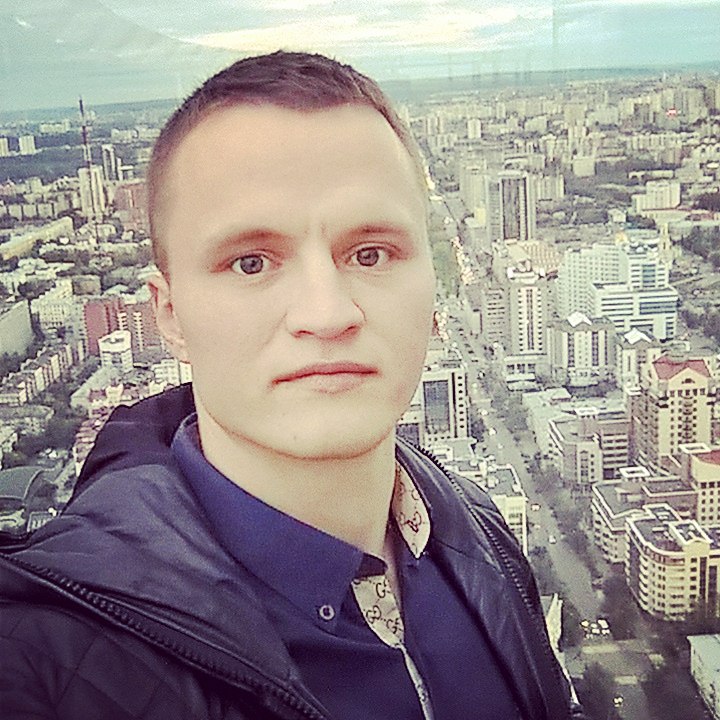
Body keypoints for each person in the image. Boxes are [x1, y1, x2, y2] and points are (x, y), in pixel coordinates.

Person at [0, 51, 584, 719]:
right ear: (170, 315)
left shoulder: (479, 537)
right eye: (251, 263)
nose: (327, 314)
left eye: (371, 253)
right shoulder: (47, 667)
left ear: (435, 283)